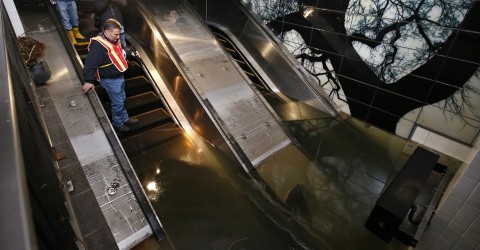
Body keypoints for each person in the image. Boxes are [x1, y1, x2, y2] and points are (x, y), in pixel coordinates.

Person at [82, 19, 138, 132]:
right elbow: (90, 63)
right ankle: (118, 123)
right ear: (107, 31)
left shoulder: (113, 39)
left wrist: (129, 54)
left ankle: (125, 118)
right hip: (110, 80)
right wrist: (89, 80)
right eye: (116, 34)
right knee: (117, 103)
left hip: (119, 77)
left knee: (122, 99)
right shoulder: (98, 45)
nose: (118, 37)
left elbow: (118, 52)